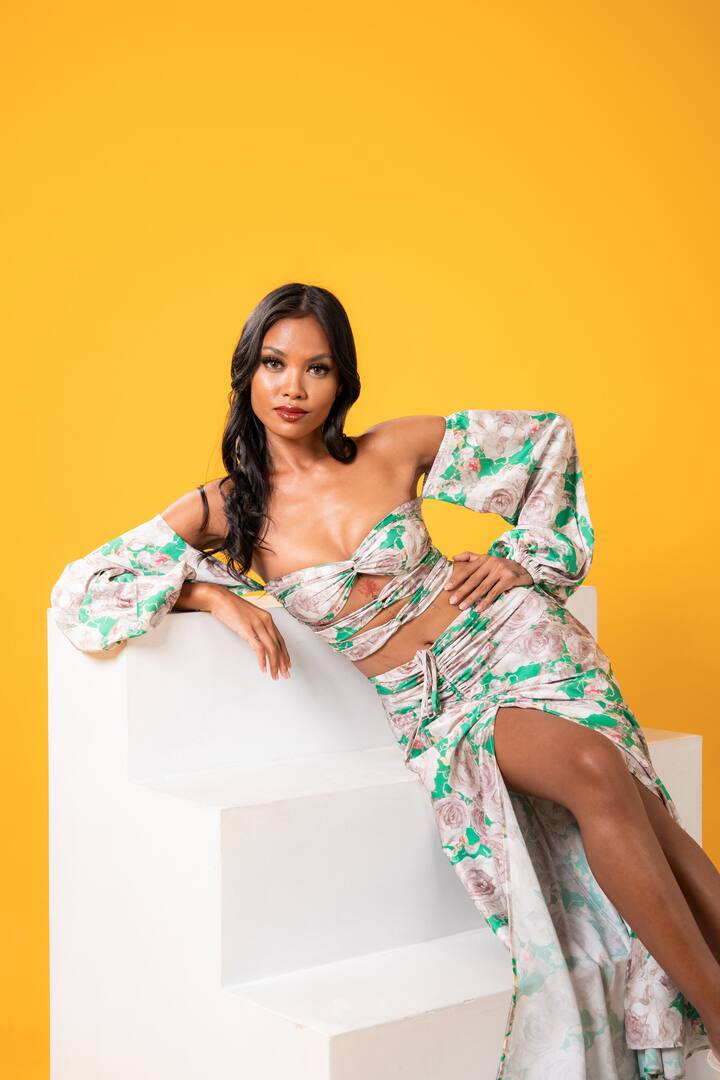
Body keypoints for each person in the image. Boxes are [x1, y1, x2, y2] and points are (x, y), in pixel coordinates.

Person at [50, 282, 718, 1078]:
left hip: (513, 641)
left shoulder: (390, 448)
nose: (294, 387)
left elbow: (548, 442)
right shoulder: (229, 509)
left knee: (643, 807)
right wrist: (209, 593)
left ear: (342, 381)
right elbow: (84, 588)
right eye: (275, 364)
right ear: (247, 373)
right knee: (597, 769)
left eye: (317, 368)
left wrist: (520, 562)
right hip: (436, 706)